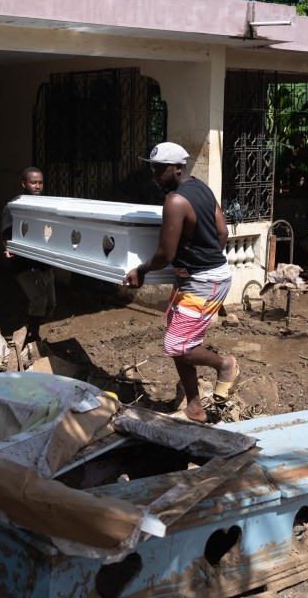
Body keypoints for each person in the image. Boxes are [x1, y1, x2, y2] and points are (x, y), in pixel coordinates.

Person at [123, 142, 238, 422]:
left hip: (203, 282)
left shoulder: (175, 201)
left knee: (178, 346)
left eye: (160, 169)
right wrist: (201, 254)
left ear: (177, 169)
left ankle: (225, 365)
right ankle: (195, 408)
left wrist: (142, 269)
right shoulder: (201, 188)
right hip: (200, 277)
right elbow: (222, 232)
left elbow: (165, 254)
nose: (154, 175)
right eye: (153, 168)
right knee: (180, 339)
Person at [1, 167, 56, 344]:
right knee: (39, 300)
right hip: (23, 264)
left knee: (50, 304)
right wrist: (9, 248)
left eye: (40, 182)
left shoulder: (45, 205)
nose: (37, 186)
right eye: (33, 182)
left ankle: (27, 324)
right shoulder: (14, 207)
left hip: (43, 263)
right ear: (24, 184)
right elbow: (7, 233)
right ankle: (33, 337)